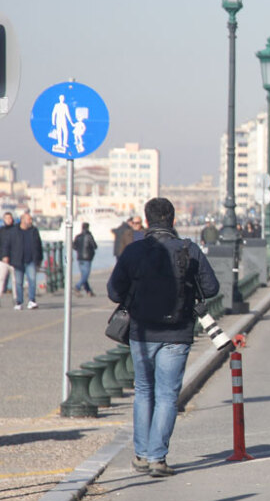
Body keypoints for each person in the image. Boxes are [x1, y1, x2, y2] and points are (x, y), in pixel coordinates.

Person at [107, 197, 219, 478]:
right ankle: (158, 458)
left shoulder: (133, 251)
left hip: (141, 332)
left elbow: (113, 292)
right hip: (177, 333)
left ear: (146, 221)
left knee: (144, 391)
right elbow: (212, 287)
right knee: (167, 396)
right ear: (172, 220)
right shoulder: (189, 249)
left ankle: (142, 456)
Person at [2, 213, 43, 310]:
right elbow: (7, 244)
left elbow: (39, 245)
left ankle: (32, 300)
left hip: (31, 260)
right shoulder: (14, 231)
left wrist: (39, 258)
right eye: (29, 219)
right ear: (23, 220)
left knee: (32, 280)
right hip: (18, 260)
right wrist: (5, 255)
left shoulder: (34, 231)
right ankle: (19, 302)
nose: (31, 221)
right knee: (18, 282)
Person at [73, 221, 98, 297]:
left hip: (79, 257)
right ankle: (77, 286)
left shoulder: (78, 236)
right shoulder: (89, 236)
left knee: (84, 275)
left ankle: (88, 291)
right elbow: (95, 246)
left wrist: (79, 250)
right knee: (85, 275)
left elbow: (74, 246)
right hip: (87, 258)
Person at [0, 212, 15, 306]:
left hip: (14, 260)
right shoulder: (1, 231)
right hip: (2, 259)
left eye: (9, 218)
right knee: (0, 279)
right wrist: (2, 256)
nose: (8, 220)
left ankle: (17, 299)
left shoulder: (16, 230)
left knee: (15, 280)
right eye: (6, 218)